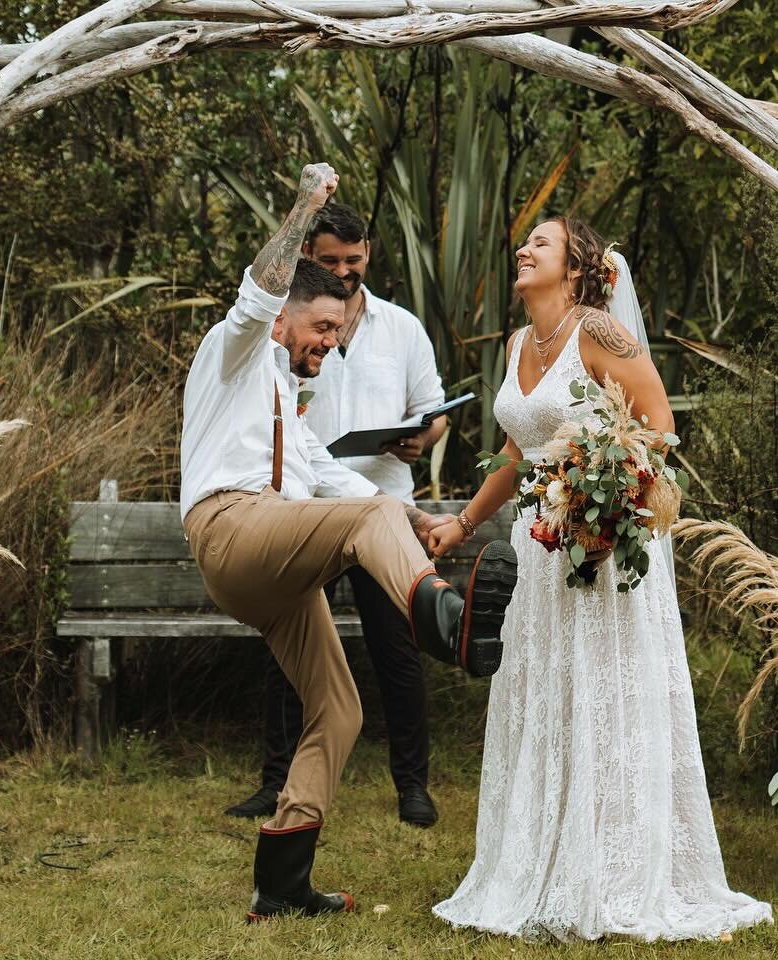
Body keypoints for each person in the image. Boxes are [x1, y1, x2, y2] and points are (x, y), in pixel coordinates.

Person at [179, 162, 518, 921]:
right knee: (372, 522)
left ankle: (282, 881)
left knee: (340, 710)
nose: (330, 345)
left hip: (275, 568)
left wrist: (419, 523)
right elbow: (262, 286)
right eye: (322, 330)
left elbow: (330, 480)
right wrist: (307, 203)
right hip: (232, 527)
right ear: (281, 320)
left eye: (338, 332)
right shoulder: (235, 352)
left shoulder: (284, 398)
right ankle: (450, 626)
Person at [425, 217, 772, 941]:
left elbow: (658, 427)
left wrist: (600, 498)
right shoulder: (521, 344)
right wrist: (462, 523)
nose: (522, 250)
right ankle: (545, 861)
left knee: (604, 694)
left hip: (601, 546)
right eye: (523, 243)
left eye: (540, 245)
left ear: (578, 270)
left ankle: (615, 871)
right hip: (538, 546)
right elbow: (517, 455)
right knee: (548, 691)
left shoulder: (602, 334)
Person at [224, 203, 447, 828]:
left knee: (397, 651)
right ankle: (276, 782)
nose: (344, 272)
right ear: (308, 261)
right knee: (286, 652)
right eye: (329, 262)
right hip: (301, 510)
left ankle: (413, 786)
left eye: (353, 261)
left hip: (380, 504)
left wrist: (419, 441)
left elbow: (434, 412)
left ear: (369, 254)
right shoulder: (277, 336)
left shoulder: (402, 329)